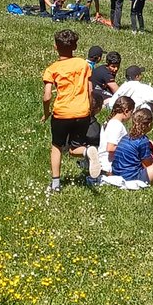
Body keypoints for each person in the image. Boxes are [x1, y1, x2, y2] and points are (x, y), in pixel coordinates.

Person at [42, 27, 98, 192]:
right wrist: (89, 108)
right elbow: (90, 90)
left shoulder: (52, 69)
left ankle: (56, 184)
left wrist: (46, 113)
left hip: (61, 114)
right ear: (75, 47)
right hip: (82, 113)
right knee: (75, 148)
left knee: (57, 146)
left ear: (55, 47)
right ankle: (88, 151)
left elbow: (46, 97)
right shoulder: (83, 64)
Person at [98, 95, 136, 177]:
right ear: (126, 111)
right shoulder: (116, 125)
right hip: (109, 166)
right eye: (131, 112)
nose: (131, 115)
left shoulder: (110, 122)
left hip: (104, 163)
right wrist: (129, 147)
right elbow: (110, 148)